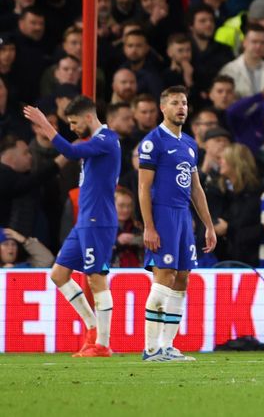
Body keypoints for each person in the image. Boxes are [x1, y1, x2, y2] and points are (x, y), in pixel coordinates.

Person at [23, 95, 121, 358]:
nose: (73, 128)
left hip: (99, 221)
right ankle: (91, 328)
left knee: (97, 278)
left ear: (89, 117)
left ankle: (102, 343)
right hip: (84, 222)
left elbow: (70, 152)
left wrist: (45, 124)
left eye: (75, 123)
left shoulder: (107, 139)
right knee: (58, 274)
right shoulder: (95, 142)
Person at [137, 85, 217, 362]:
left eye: (184, 102)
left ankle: (168, 346)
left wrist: (208, 225)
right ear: (163, 108)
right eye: (174, 103)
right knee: (164, 277)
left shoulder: (190, 144)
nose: (181, 107)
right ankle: (150, 349)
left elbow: (196, 189)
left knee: (182, 278)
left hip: (183, 216)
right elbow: (143, 189)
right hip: (163, 214)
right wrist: (149, 226)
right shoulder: (153, 142)